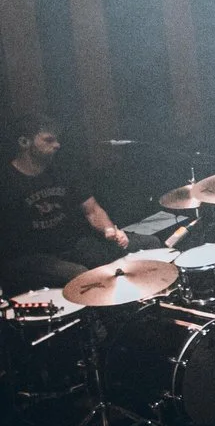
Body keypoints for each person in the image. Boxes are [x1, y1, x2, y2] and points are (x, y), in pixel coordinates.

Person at [2, 114, 127, 293]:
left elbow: (92, 210)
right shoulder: (6, 181)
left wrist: (109, 230)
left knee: (122, 256)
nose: (57, 145)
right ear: (24, 142)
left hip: (70, 245)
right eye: (48, 140)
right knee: (81, 275)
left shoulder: (63, 171)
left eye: (57, 140)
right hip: (32, 255)